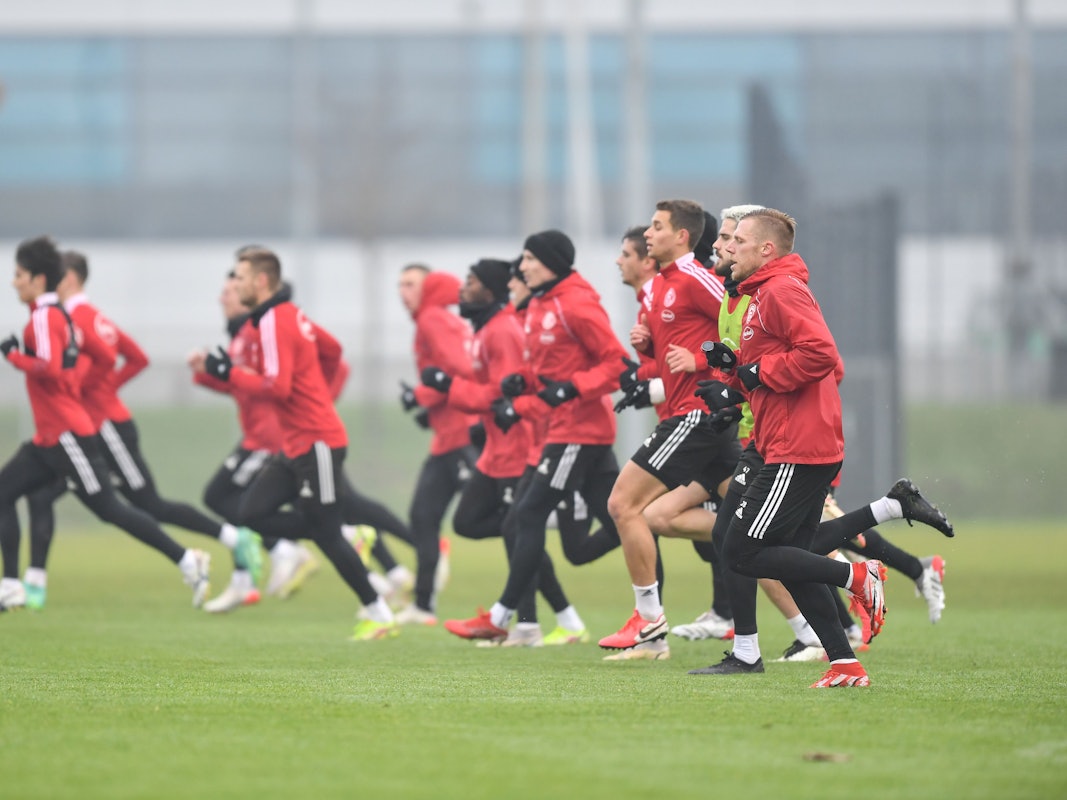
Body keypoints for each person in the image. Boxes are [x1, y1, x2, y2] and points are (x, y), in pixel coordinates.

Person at [691, 207, 895, 688]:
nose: (728, 247)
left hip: (796, 445)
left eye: (738, 240)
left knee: (741, 551)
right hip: (784, 440)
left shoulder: (780, 290)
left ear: (766, 249)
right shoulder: (759, 295)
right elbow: (767, 368)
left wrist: (756, 373)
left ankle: (858, 578)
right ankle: (844, 663)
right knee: (788, 556)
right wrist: (731, 374)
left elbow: (822, 354)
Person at [17, 250, 262, 611]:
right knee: (40, 496)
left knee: (146, 504)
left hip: (105, 426)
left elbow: (118, 360)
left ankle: (232, 538)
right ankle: (32, 584)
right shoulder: (84, 316)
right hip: (79, 429)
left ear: (68, 280)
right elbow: (132, 358)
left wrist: (97, 392)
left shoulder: (77, 318)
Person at [195, 246, 395, 640]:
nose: (234, 284)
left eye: (239, 276)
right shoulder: (288, 314)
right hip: (296, 444)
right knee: (251, 512)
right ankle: (349, 533)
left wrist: (230, 374)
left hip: (318, 440)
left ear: (262, 281)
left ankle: (378, 611)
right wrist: (315, 388)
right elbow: (332, 351)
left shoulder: (271, 320)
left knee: (323, 533)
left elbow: (277, 387)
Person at [443, 230, 627, 643]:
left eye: (527, 260)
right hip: (563, 429)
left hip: (576, 430)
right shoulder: (544, 305)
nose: (520, 270)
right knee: (620, 521)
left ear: (550, 262)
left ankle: (506, 618)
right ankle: (649, 619)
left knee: (524, 517)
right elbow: (547, 372)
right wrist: (519, 385)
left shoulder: (575, 304)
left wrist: (569, 389)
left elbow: (616, 365)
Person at [599, 200, 741, 659]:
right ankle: (816, 627)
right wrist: (647, 352)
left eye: (657, 227)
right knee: (748, 531)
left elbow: (743, 330)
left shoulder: (698, 278)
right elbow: (668, 366)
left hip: (698, 416)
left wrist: (700, 359)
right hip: (693, 416)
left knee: (624, 505)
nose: (648, 236)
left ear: (682, 236)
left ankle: (649, 622)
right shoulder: (660, 286)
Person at [425, 258, 587, 644]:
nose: (464, 287)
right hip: (494, 451)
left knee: (519, 531)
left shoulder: (502, 331)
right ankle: (565, 617)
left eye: (472, 280)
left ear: (493, 289)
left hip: (518, 446)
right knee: (471, 522)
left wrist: (449, 388)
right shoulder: (484, 329)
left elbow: (506, 391)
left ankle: (529, 625)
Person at [192, 269, 320, 610]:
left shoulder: (259, 331)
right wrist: (208, 374)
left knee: (226, 498)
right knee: (234, 501)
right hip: (257, 435)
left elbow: (270, 384)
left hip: (269, 436)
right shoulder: (241, 335)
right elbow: (241, 385)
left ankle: (281, 551)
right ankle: (247, 579)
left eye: (231, 291)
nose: (224, 297)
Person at [397, 265, 478, 619]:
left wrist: (421, 395)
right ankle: (422, 604)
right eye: (400, 285)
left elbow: (459, 371)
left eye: (412, 284)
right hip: (447, 437)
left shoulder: (431, 318)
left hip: (462, 435)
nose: (404, 291)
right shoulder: (445, 319)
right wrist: (428, 406)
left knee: (504, 519)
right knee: (422, 516)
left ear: (428, 288)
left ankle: (532, 613)